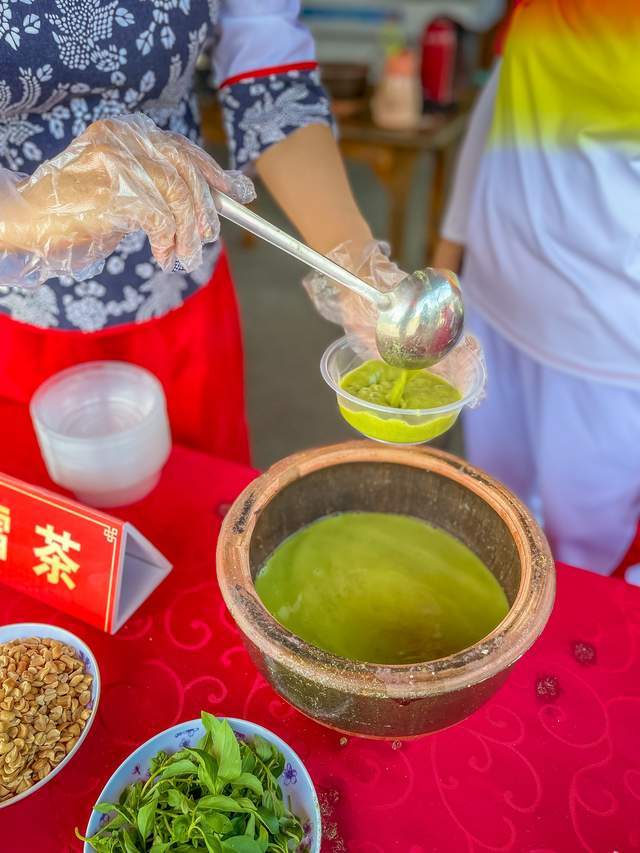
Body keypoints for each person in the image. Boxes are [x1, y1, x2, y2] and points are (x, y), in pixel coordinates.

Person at [0, 1, 379, 465]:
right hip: (12, 323)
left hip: (177, 290)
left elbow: (270, 74)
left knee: (199, 505)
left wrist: (358, 265)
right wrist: (36, 209)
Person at [433, 0, 640, 575]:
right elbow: (500, 108)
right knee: (501, 512)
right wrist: (447, 262)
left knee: (584, 553)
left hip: (605, 348)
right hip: (496, 311)